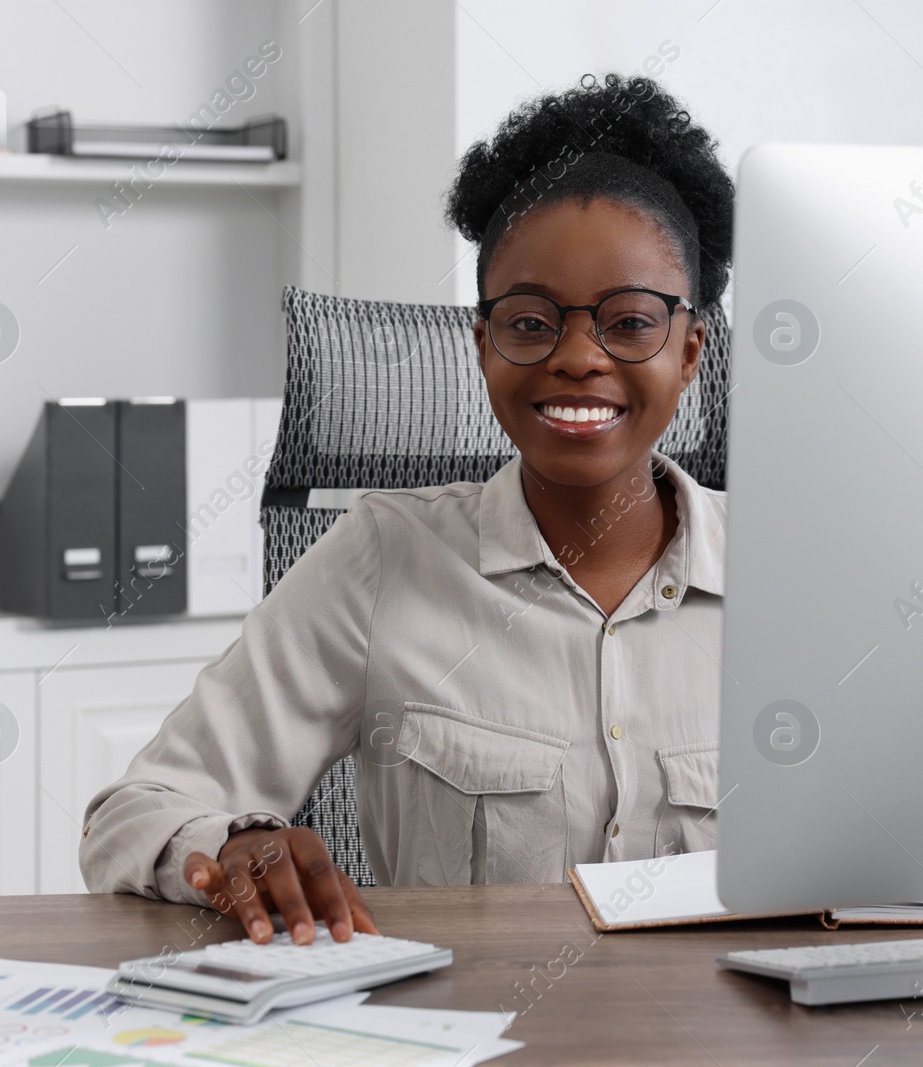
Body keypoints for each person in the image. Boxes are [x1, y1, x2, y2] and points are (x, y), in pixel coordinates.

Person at [80, 73, 735, 948]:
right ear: (482, 344)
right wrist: (236, 844)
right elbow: (134, 811)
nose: (579, 357)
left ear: (691, 349)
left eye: (630, 321)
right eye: (532, 322)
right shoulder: (384, 558)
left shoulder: (797, 572)